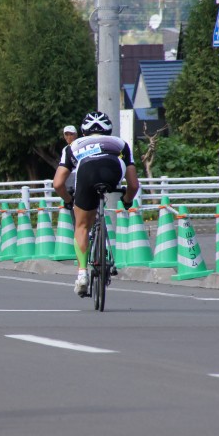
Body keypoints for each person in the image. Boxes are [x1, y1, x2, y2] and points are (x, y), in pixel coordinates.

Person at [53, 111, 140, 297]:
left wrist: (69, 201)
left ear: (83, 131)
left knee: (82, 225)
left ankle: (82, 273)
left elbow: (58, 184)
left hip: (86, 173)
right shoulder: (120, 144)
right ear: (109, 130)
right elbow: (133, 184)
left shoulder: (72, 146)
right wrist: (127, 200)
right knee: (108, 191)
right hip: (113, 170)